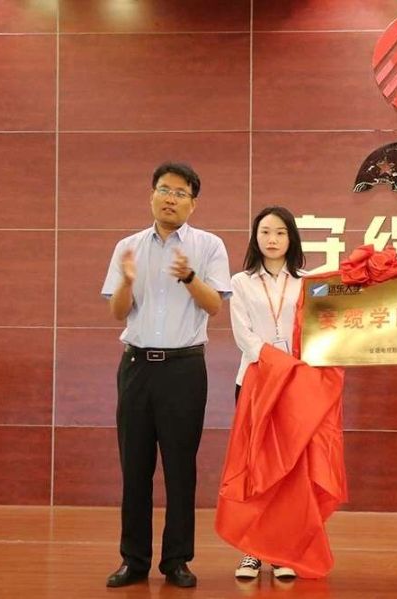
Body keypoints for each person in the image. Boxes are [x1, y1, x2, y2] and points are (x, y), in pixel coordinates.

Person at [101, 162, 231, 588]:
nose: (170, 199)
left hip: (183, 369)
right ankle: (133, 560)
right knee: (134, 467)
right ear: (151, 195)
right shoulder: (128, 247)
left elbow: (214, 305)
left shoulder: (208, 246)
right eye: (164, 189)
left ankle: (177, 560)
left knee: (180, 468)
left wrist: (189, 276)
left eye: (180, 193)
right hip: (136, 367)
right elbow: (118, 312)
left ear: (193, 203)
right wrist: (127, 283)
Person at [228, 206, 306, 581]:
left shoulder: (307, 282)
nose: (272, 239)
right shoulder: (241, 282)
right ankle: (251, 551)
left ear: (291, 238)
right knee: (255, 468)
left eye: (280, 232)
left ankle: (281, 550)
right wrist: (276, 361)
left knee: (288, 471)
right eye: (265, 232)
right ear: (255, 238)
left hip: (295, 385)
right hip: (256, 381)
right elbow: (244, 336)